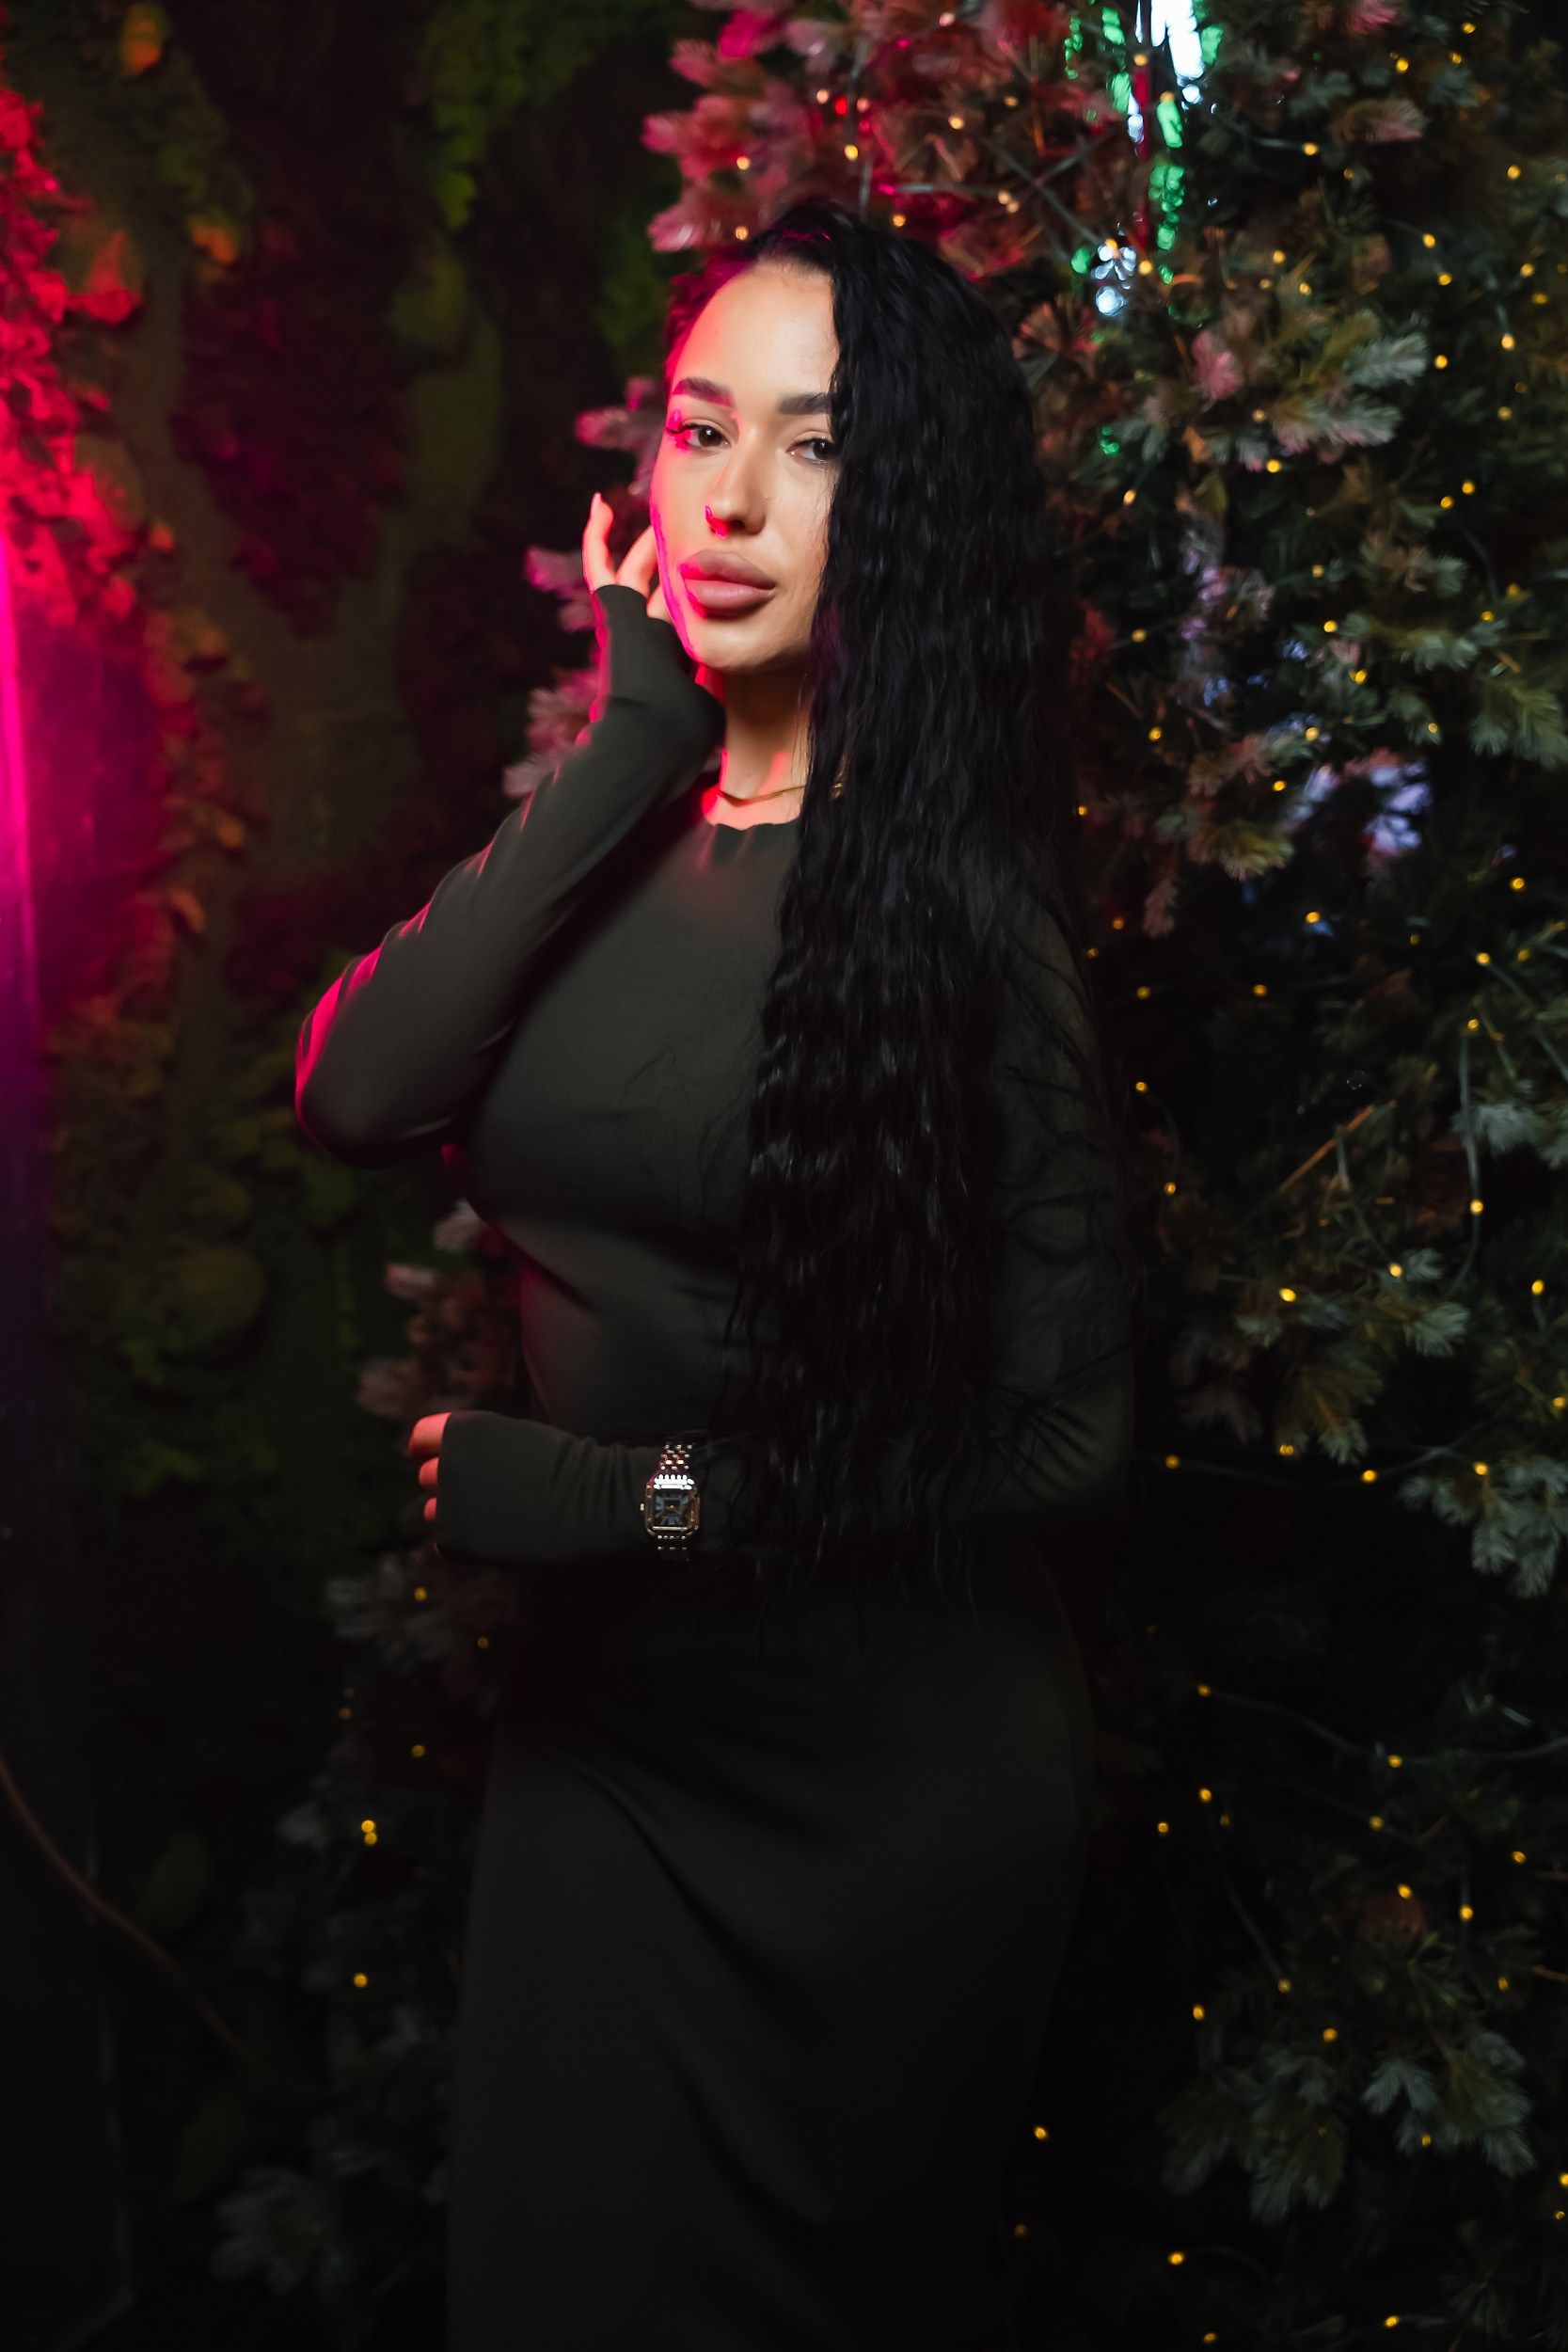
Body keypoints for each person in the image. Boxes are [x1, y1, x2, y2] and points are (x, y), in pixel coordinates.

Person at [295, 200, 1139, 2352]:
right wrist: (629, 735)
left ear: (906, 501)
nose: (735, 496)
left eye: (815, 442)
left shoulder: (961, 913)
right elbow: (359, 1088)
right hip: (608, 1748)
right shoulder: (610, 836)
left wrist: (627, 1498)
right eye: (699, 427)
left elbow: (1064, 1434)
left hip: (881, 1788)